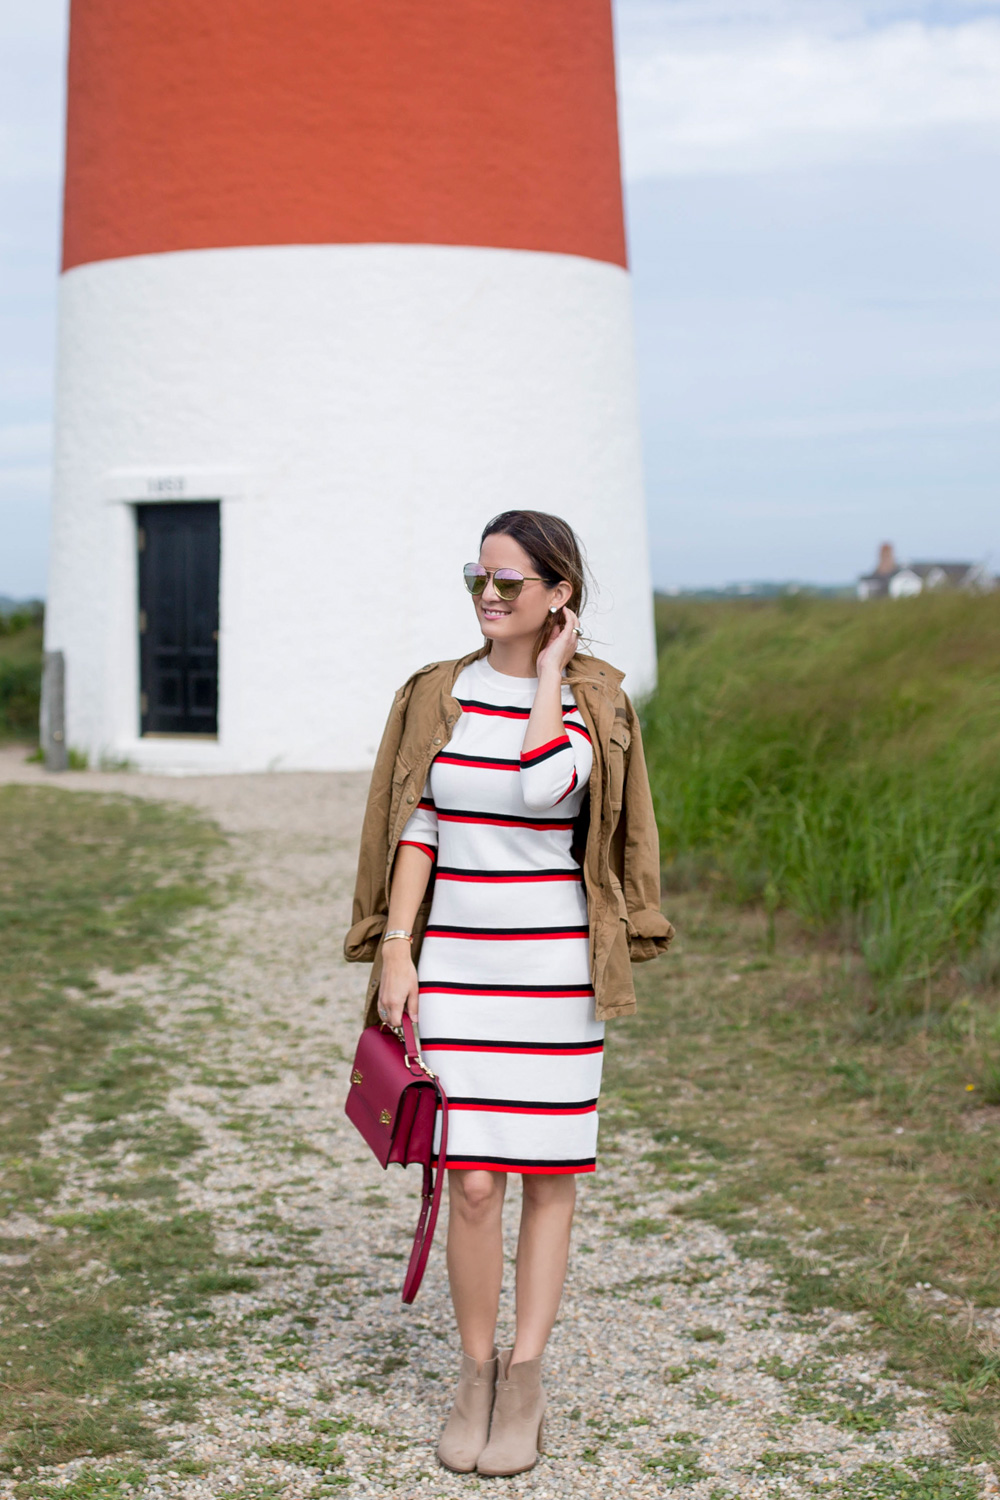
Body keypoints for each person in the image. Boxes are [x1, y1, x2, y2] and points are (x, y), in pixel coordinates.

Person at [344, 510, 672, 1476]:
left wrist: (546, 677)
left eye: (511, 583)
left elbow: (538, 786)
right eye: (477, 578)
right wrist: (398, 949)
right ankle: (474, 1375)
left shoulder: (592, 702)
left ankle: (524, 1381)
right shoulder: (437, 693)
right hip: (457, 966)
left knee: (546, 1178)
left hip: (554, 971)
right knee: (475, 1185)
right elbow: (422, 824)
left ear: (557, 595)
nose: (489, 596)